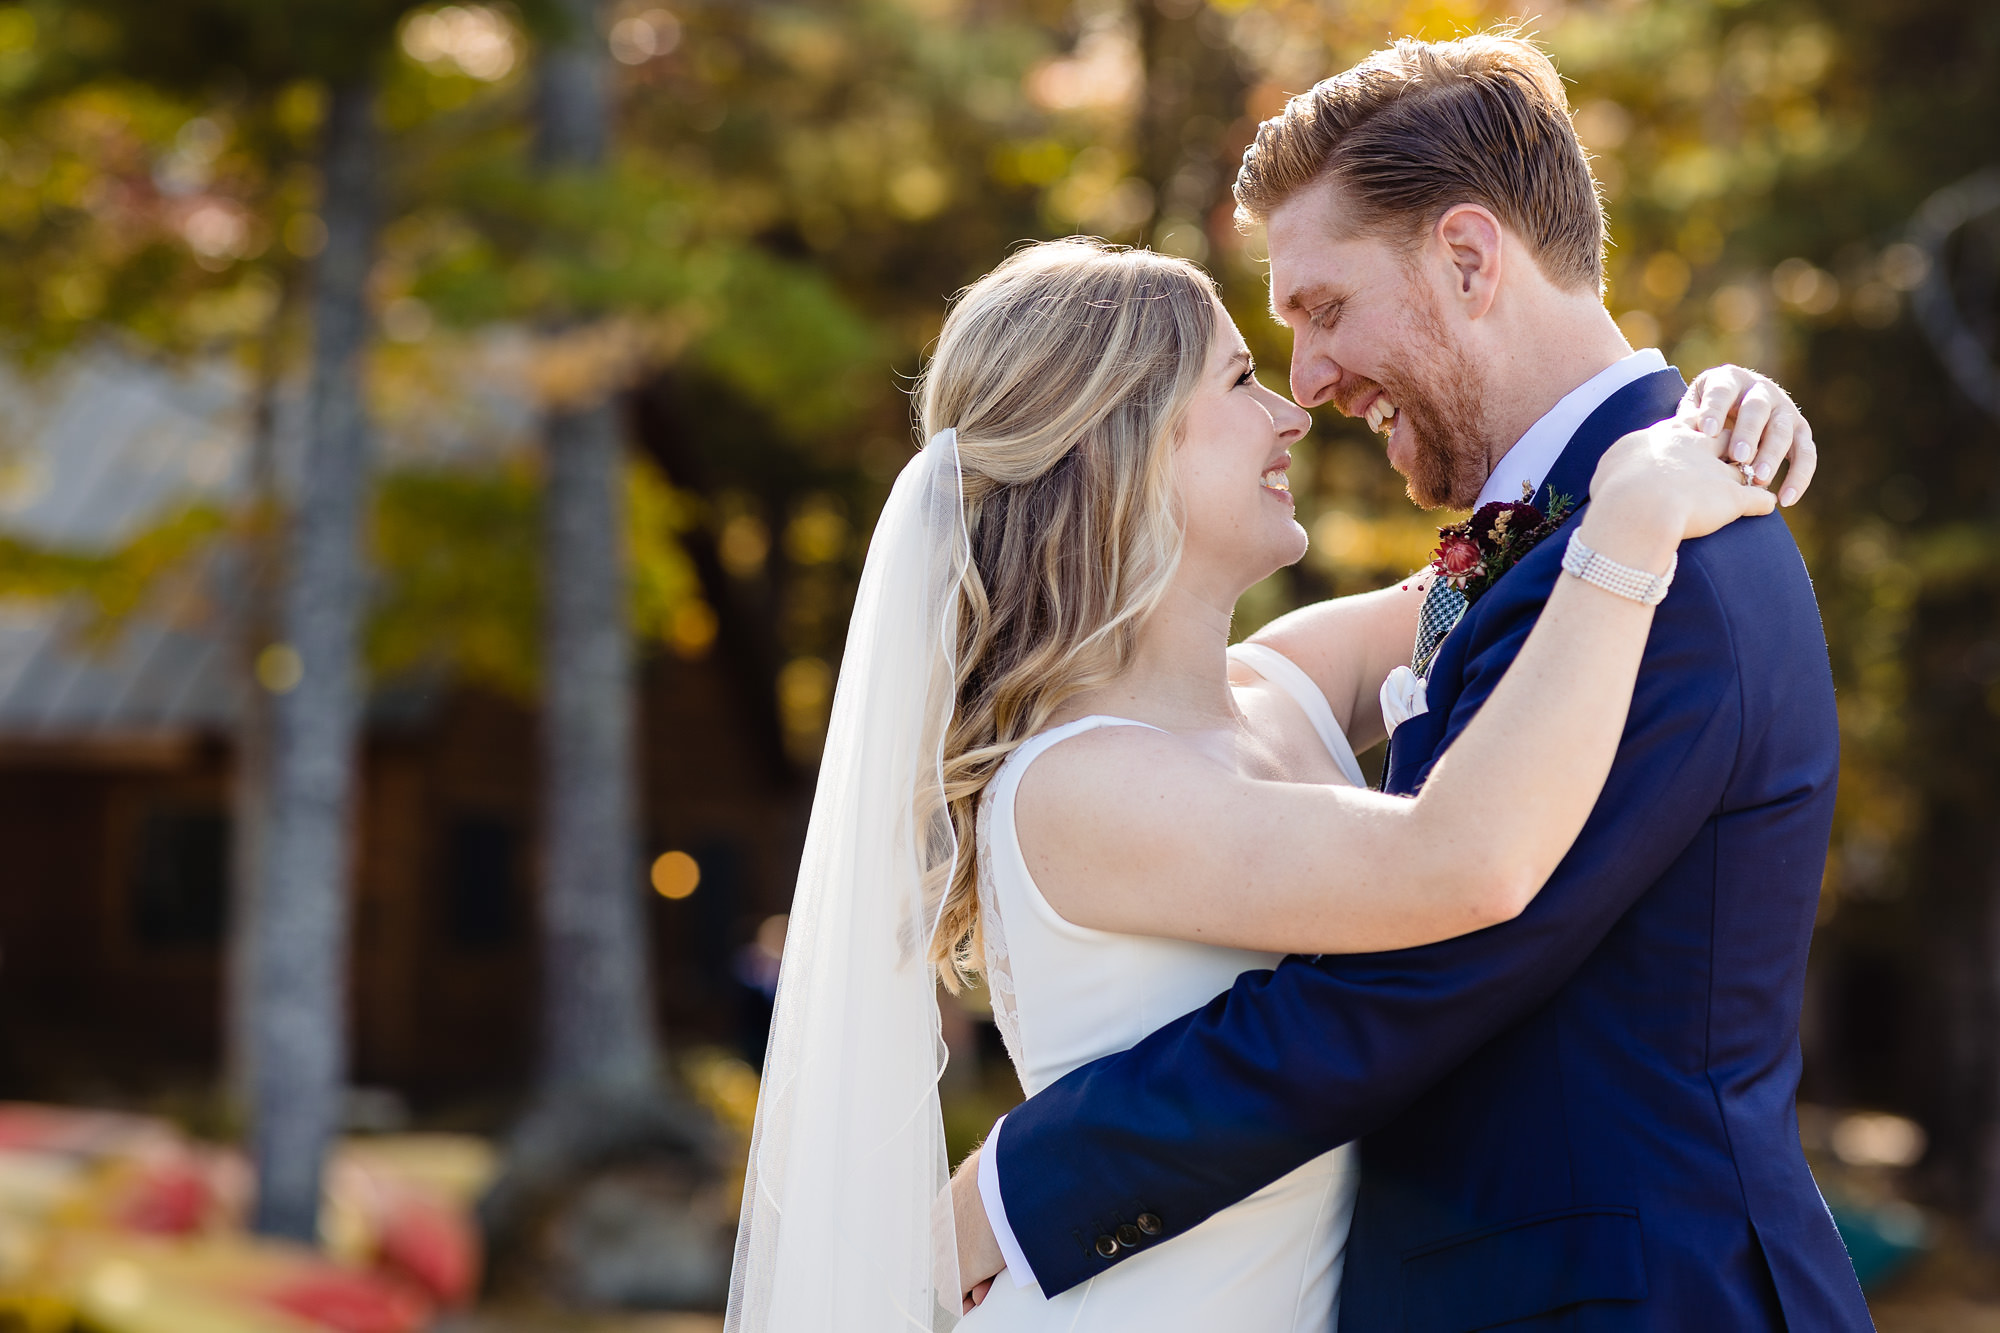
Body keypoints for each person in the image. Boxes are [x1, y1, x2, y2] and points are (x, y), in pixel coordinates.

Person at [948, 32, 1874, 1333]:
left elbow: (1438, 958)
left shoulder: (1651, 564)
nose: (1308, 389)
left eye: (1322, 310)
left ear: (1468, 257)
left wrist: (1007, 1192)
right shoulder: (1592, 534)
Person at [726, 226, 1820, 1325]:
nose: (1293, 413)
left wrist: (1705, 413)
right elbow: (1461, 858)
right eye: (1241, 378)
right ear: (1124, 443)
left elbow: (1512, 560)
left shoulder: (1282, 686)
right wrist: (1632, 522)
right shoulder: (1078, 786)